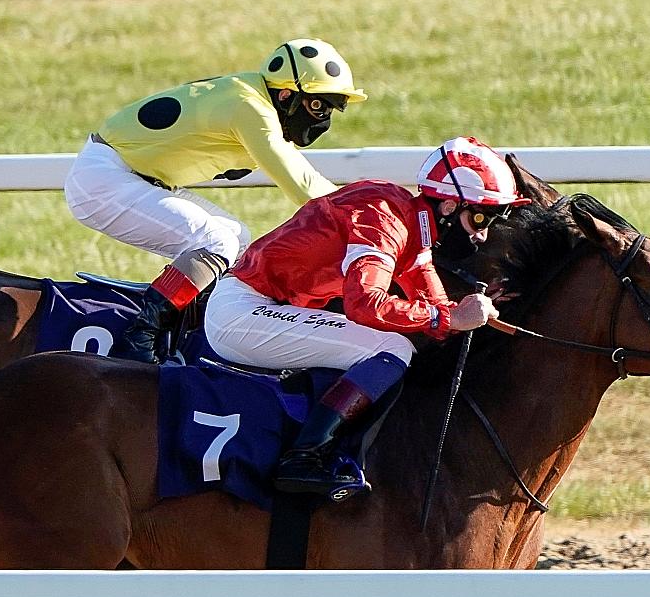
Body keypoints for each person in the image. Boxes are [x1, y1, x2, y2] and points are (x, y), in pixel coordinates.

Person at [200, 136, 529, 498]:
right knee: (391, 348)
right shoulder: (384, 219)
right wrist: (449, 319)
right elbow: (365, 305)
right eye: (480, 218)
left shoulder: (411, 227)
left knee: (394, 343)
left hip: (266, 309)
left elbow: (435, 308)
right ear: (449, 206)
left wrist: (468, 312)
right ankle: (304, 458)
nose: (482, 236)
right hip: (244, 312)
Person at [64, 39, 366, 363]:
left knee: (237, 238)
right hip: (105, 178)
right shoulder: (249, 108)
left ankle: (189, 335)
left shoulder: (252, 98)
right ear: (285, 96)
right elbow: (303, 185)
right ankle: (140, 341)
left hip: (124, 174)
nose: (323, 121)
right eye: (318, 107)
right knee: (215, 241)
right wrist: (370, 218)